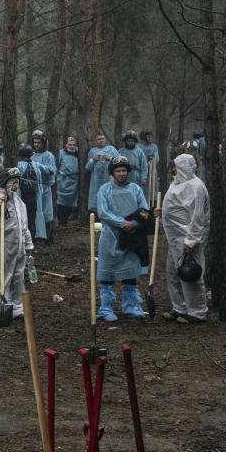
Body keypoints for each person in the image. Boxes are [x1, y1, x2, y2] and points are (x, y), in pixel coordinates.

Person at [95, 156, 150, 321]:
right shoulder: (104, 190)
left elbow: (144, 211)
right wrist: (121, 223)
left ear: (128, 172)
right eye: (118, 171)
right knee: (107, 273)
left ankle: (131, 307)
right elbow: (103, 212)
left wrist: (134, 224)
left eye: (124, 170)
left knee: (130, 271)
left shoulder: (136, 189)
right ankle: (106, 308)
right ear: (112, 173)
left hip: (132, 236)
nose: (121, 174)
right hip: (111, 236)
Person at [159, 154, 209, 323]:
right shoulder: (177, 183)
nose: (173, 169)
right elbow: (175, 206)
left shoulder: (196, 187)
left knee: (190, 274)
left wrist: (191, 240)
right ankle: (179, 307)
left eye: (177, 166)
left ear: (186, 167)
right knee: (173, 273)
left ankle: (197, 312)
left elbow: (198, 216)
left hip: (187, 239)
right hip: (174, 239)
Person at [0, 167, 33, 322]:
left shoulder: (19, 202)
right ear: (6, 183)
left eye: (17, 183)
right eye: (13, 183)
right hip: (0, 247)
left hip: (17, 248)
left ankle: (16, 307)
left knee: (17, 277)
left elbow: (24, 225)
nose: (16, 186)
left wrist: (28, 244)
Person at [31, 130, 57, 242]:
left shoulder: (48, 155)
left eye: (39, 142)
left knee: (46, 212)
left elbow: (52, 170)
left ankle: (48, 237)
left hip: (45, 187)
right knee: (35, 212)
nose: (36, 145)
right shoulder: (31, 154)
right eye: (35, 142)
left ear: (43, 143)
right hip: (33, 188)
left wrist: (38, 166)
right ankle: (36, 236)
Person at [85, 133, 120, 216]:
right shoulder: (92, 151)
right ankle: (98, 220)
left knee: (110, 198)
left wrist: (110, 158)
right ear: (96, 141)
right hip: (96, 181)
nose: (101, 140)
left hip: (109, 179)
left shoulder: (111, 149)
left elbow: (120, 162)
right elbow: (87, 168)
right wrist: (92, 160)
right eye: (99, 139)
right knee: (97, 199)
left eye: (102, 139)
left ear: (105, 140)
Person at [16, 143, 42, 242]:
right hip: (33, 196)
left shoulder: (19, 165)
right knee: (31, 218)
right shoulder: (35, 164)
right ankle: (32, 239)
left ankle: (24, 240)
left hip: (22, 196)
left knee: (23, 218)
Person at [56, 137, 81, 227]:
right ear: (66, 145)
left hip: (73, 181)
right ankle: (60, 221)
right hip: (62, 180)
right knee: (60, 202)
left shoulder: (78, 153)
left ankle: (65, 221)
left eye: (73, 145)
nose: (72, 146)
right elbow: (57, 165)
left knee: (70, 203)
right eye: (70, 145)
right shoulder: (61, 153)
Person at [137, 131, 160, 201]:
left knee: (152, 188)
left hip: (152, 171)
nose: (150, 138)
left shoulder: (154, 146)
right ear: (144, 137)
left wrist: (151, 163)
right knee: (142, 187)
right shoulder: (138, 147)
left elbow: (156, 158)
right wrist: (144, 165)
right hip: (141, 171)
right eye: (148, 136)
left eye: (151, 137)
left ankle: (152, 203)